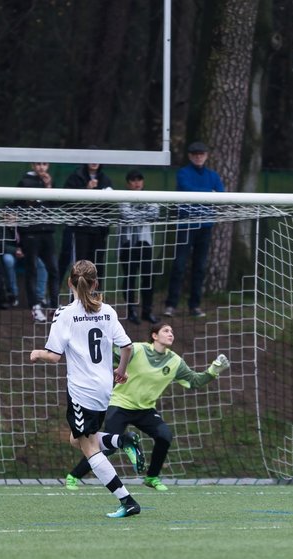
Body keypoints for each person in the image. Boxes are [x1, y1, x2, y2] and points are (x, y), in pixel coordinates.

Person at [28, 260, 144, 518]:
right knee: (76, 439)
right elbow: (128, 347)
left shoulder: (65, 313)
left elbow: (54, 355)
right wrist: (121, 371)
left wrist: (37, 353)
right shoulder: (108, 311)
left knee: (88, 447)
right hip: (103, 388)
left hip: (81, 390)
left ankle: (127, 501)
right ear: (96, 283)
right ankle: (121, 440)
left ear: (69, 283)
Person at [64, 321, 230, 492]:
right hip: (120, 404)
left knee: (164, 436)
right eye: (166, 330)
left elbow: (194, 381)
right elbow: (109, 355)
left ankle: (152, 477)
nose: (171, 333)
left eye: (172, 331)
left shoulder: (175, 361)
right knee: (108, 446)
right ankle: (74, 476)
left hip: (145, 410)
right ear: (154, 336)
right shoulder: (137, 349)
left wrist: (213, 371)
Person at [166, 141, 225, 318]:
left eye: (202, 153)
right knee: (179, 265)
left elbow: (220, 194)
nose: (199, 156)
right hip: (186, 225)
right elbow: (188, 189)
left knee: (200, 267)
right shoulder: (183, 173)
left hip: (205, 226)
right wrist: (209, 193)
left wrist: (209, 195)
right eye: (195, 154)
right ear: (190, 156)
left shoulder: (213, 175)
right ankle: (171, 305)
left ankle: (195, 305)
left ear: (206, 156)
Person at [16, 162, 60, 321]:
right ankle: (35, 307)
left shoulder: (50, 182)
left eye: (45, 164)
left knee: (54, 270)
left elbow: (55, 204)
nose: (42, 167)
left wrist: (49, 186)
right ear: (33, 165)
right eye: (38, 164)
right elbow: (22, 204)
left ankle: (54, 307)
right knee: (32, 270)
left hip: (47, 231)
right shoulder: (25, 182)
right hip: (30, 233)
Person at [119, 169, 160, 324]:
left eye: (139, 179)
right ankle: (131, 310)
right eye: (133, 180)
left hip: (145, 242)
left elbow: (155, 213)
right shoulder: (123, 197)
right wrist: (144, 215)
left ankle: (147, 311)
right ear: (128, 183)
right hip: (127, 243)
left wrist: (138, 216)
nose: (136, 183)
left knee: (148, 277)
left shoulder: (150, 196)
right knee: (130, 277)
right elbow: (126, 215)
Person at [60, 162, 114, 276]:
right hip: (80, 230)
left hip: (99, 230)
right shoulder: (75, 177)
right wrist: (86, 189)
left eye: (97, 159)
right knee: (80, 265)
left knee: (97, 266)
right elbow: (66, 202)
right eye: (91, 159)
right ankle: (78, 293)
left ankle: (95, 293)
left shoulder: (105, 179)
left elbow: (109, 206)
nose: (94, 162)